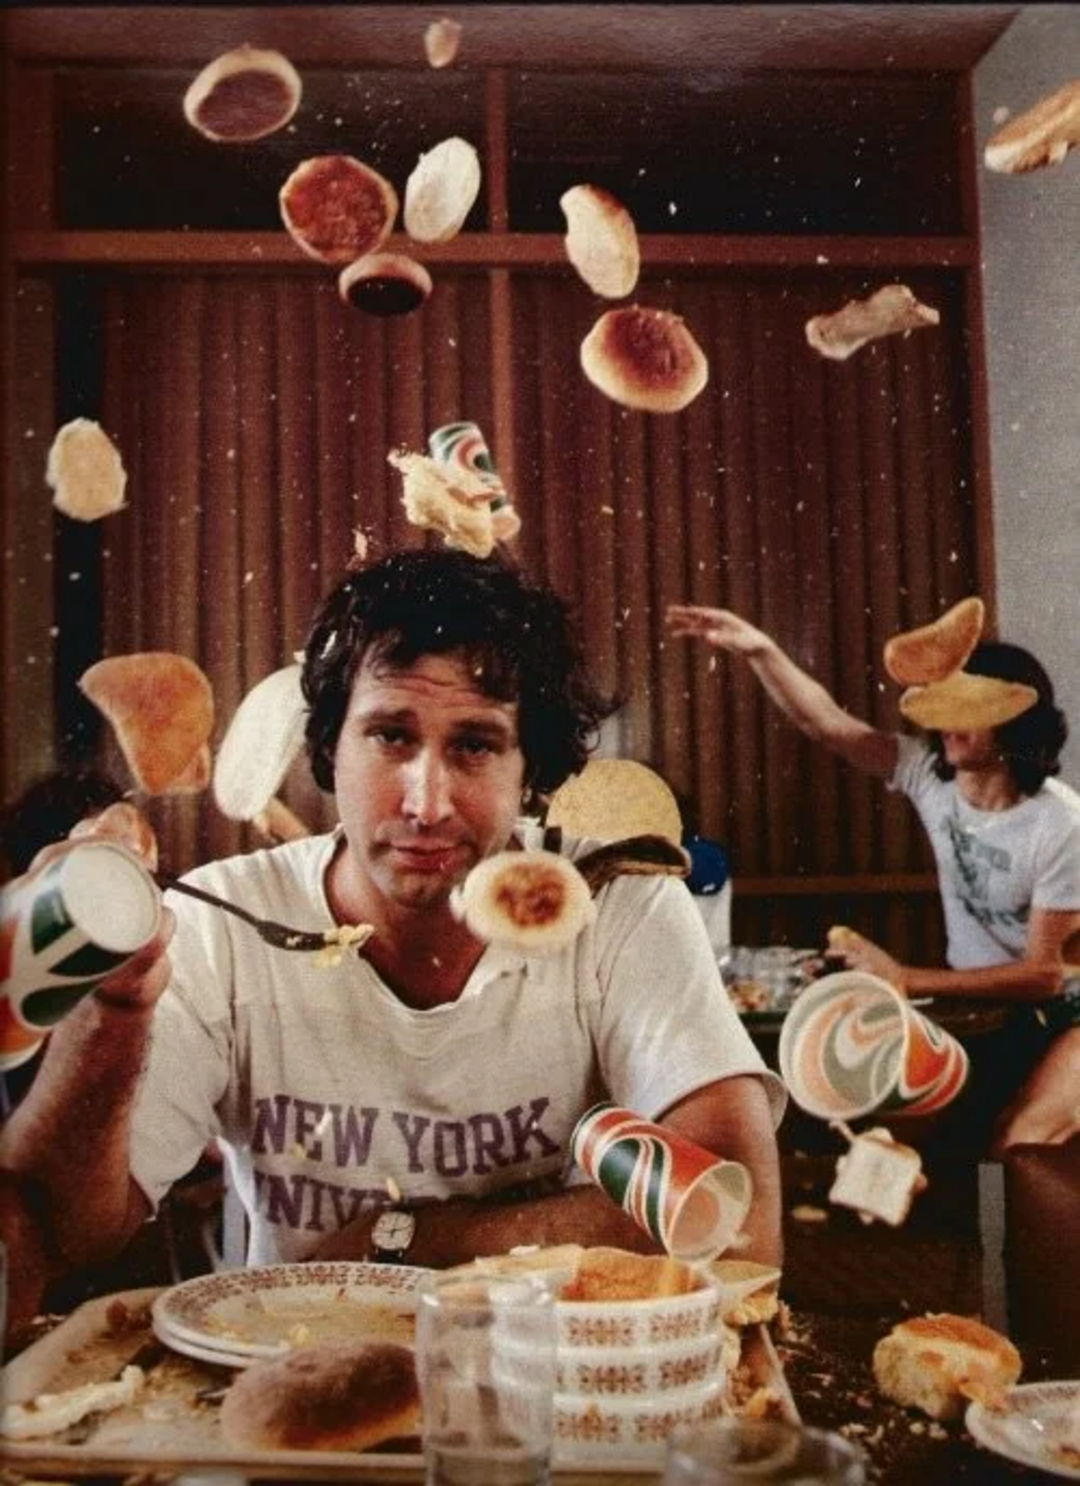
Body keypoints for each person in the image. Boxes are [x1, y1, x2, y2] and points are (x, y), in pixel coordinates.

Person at [0, 551, 784, 1282]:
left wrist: (408, 1240)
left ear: (529, 771)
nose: (426, 803)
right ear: (329, 748)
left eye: (474, 746)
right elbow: (63, 1235)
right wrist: (113, 1010)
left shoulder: (620, 906)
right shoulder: (222, 922)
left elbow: (739, 1229)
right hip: (291, 1371)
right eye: (390, 736)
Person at [665, 603, 1080, 1153]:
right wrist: (760, 649)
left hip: (1067, 1015)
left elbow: (1045, 975)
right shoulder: (931, 778)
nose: (948, 722)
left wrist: (904, 977)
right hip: (979, 1012)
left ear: (1015, 721)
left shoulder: (1061, 823)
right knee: (914, 1141)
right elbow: (827, 725)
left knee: (1019, 1139)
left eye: (968, 707)